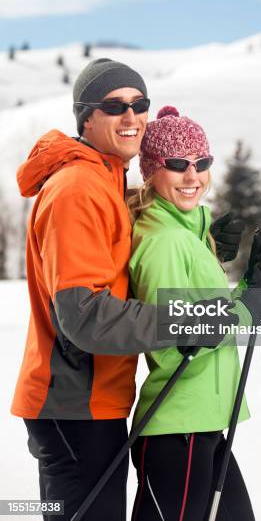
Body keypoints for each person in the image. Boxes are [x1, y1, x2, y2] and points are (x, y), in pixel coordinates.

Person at [10, 60, 244, 521]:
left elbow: (133, 246)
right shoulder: (78, 187)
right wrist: (191, 320)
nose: (132, 116)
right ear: (86, 118)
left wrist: (206, 241)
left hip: (92, 399)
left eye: (140, 105)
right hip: (74, 403)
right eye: (114, 107)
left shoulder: (104, 177)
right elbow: (85, 315)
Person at [127, 106, 261, 520]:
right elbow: (179, 335)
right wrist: (250, 307)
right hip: (176, 427)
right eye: (177, 165)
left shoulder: (189, 232)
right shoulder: (163, 242)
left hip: (204, 425)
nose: (193, 176)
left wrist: (255, 284)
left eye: (202, 163)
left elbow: (208, 311)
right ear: (150, 170)